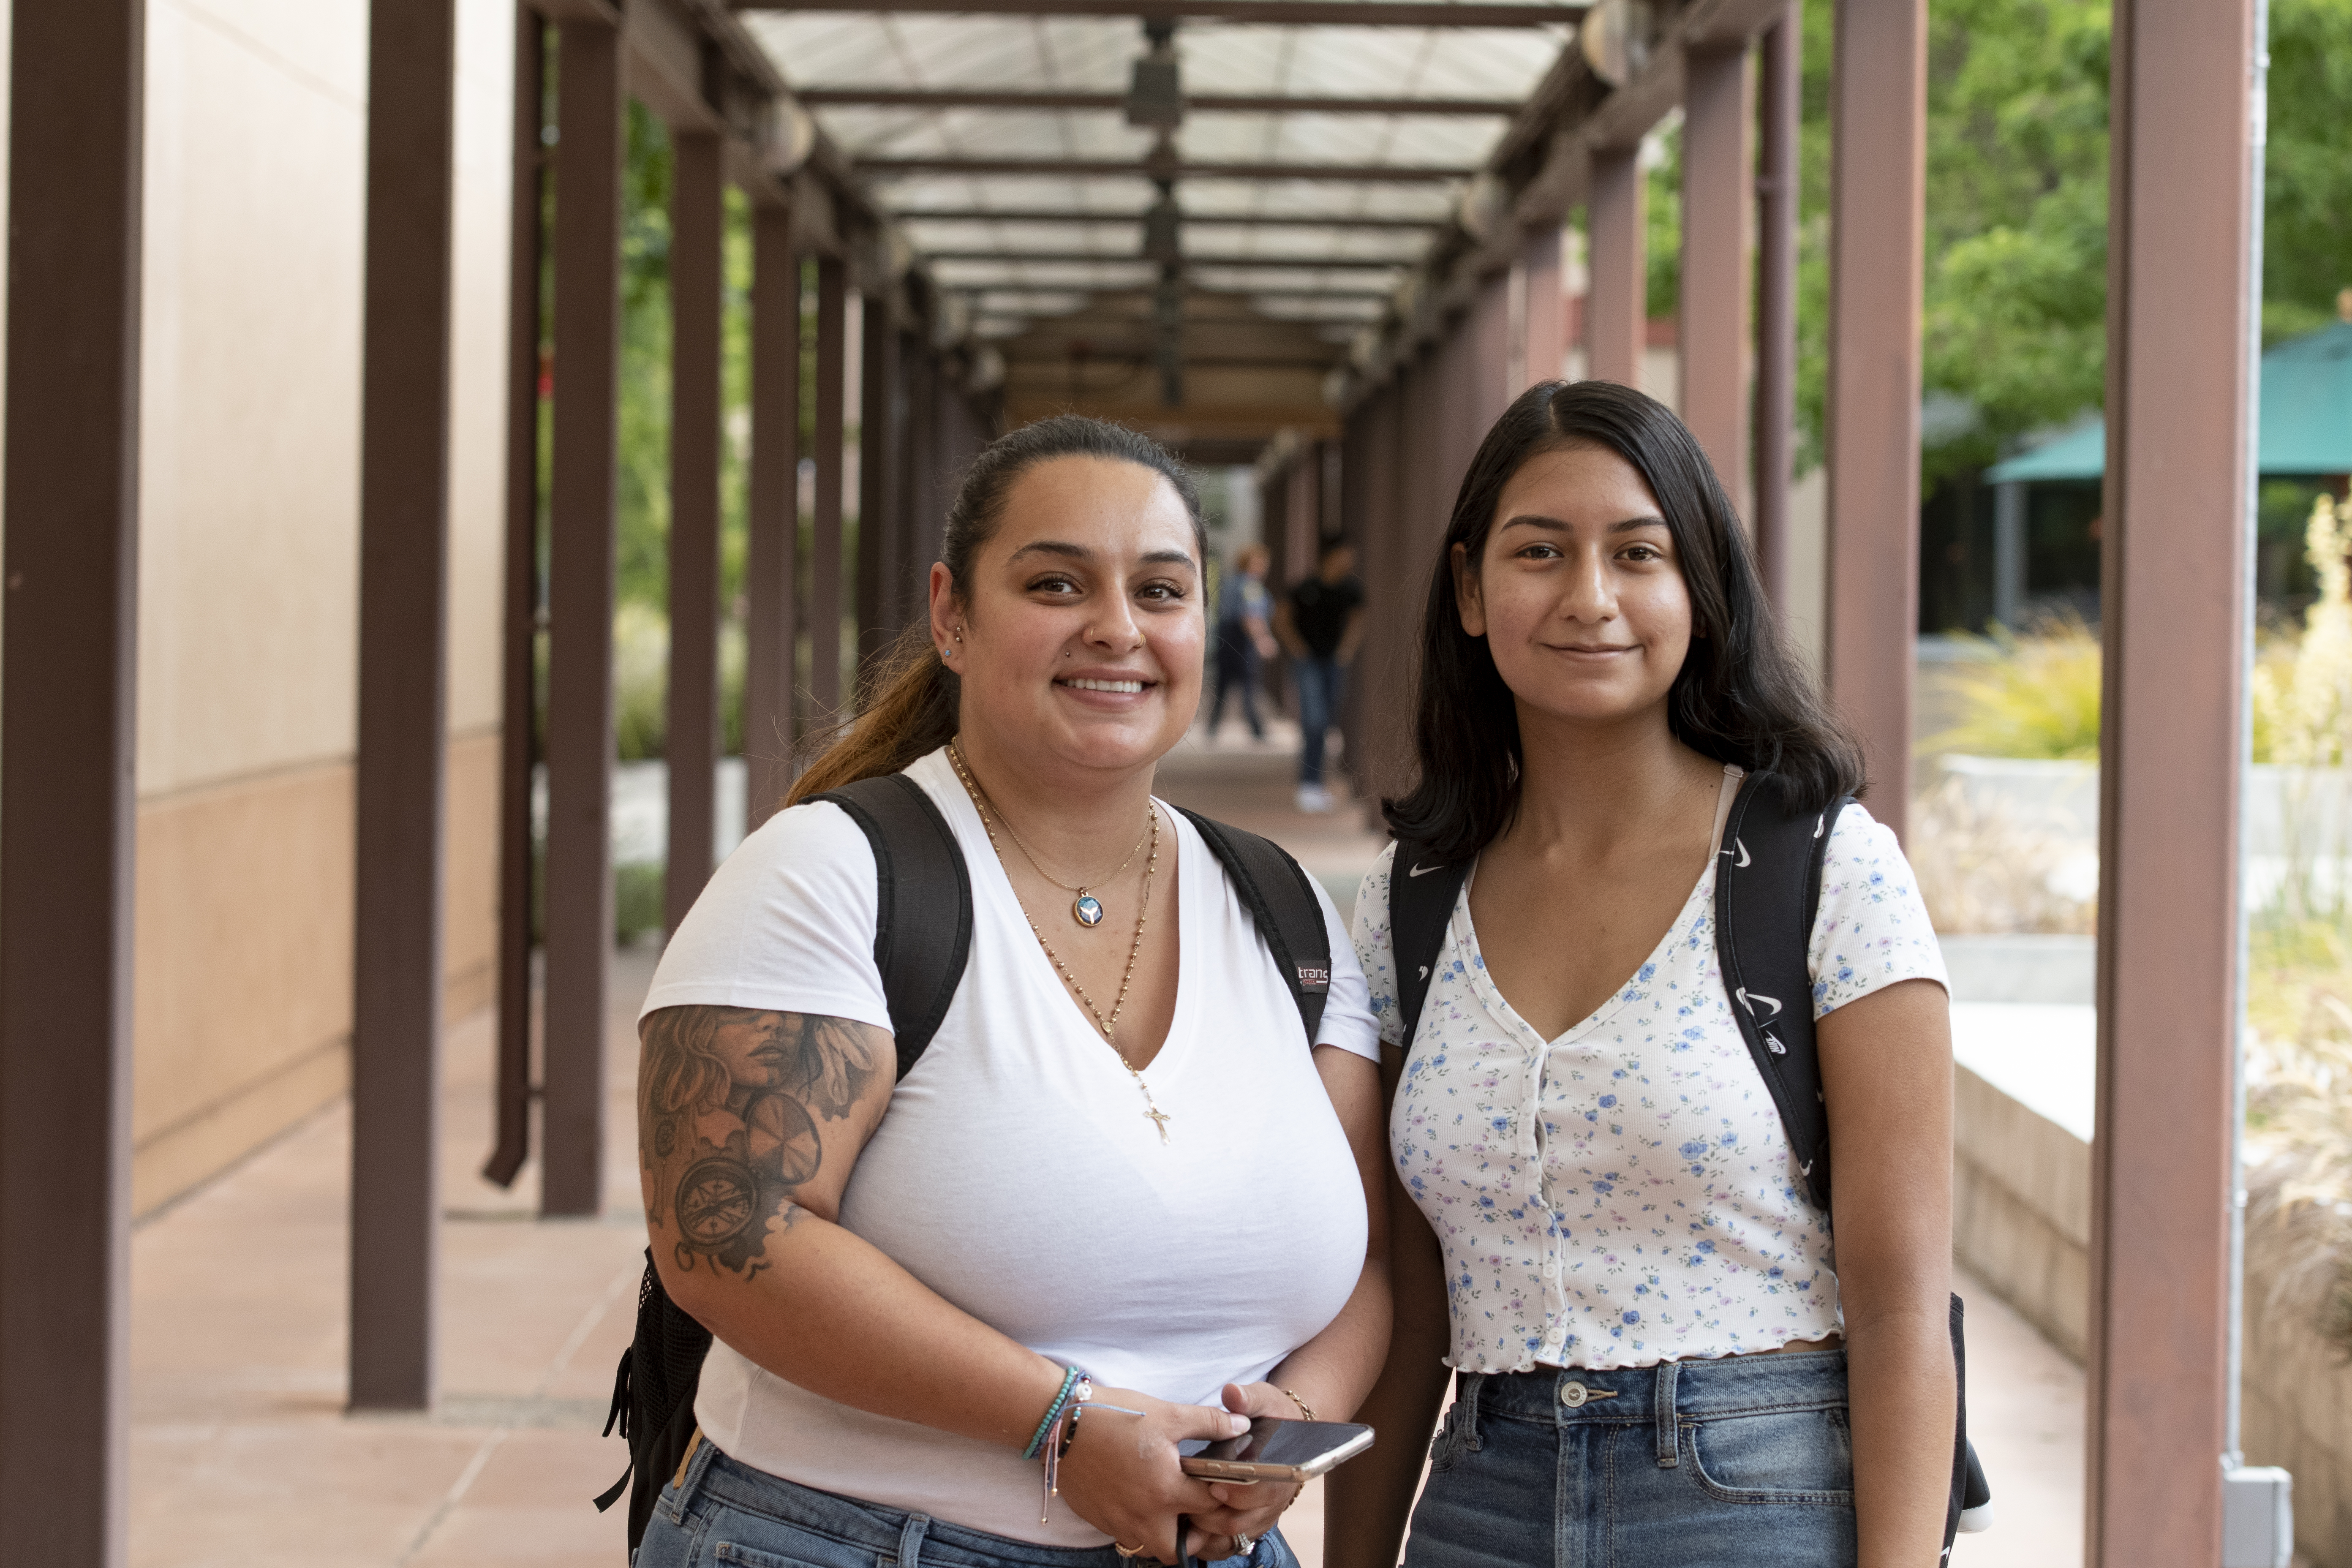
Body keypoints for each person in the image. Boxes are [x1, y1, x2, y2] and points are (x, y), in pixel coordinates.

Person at [633, 415, 1392, 1568]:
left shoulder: (1281, 908)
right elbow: (729, 1231)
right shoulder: (832, 873)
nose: (1116, 629)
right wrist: (1062, 1424)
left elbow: (1369, 1258)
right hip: (855, 1543)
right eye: (1055, 582)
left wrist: (1288, 1427)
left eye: (1160, 589)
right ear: (952, 614)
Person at [1327, 381, 1956, 1568]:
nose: (1590, 598)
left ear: (1699, 591)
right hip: (1480, 1499)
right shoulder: (1412, 898)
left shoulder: (1826, 871)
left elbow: (1902, 1305)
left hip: (1754, 1497)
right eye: (1540, 553)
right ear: (1470, 590)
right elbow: (1411, 1305)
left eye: (1638, 553)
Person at [1272, 539, 1365, 814]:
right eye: (1346, 555)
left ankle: (1315, 783)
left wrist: (1347, 650)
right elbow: (1281, 617)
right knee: (1314, 721)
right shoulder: (1306, 587)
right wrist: (1296, 648)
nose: (1350, 562)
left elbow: (1359, 619)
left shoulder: (1351, 589)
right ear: (1331, 555)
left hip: (1334, 664)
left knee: (1326, 723)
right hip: (1308, 663)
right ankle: (1309, 784)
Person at [1208, 543, 1277, 740]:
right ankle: (1258, 730)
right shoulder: (1250, 585)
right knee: (1249, 687)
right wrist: (1263, 640)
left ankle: (1213, 728)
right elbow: (1251, 616)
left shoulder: (1230, 583)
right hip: (1242, 644)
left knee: (1222, 688)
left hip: (1225, 644)